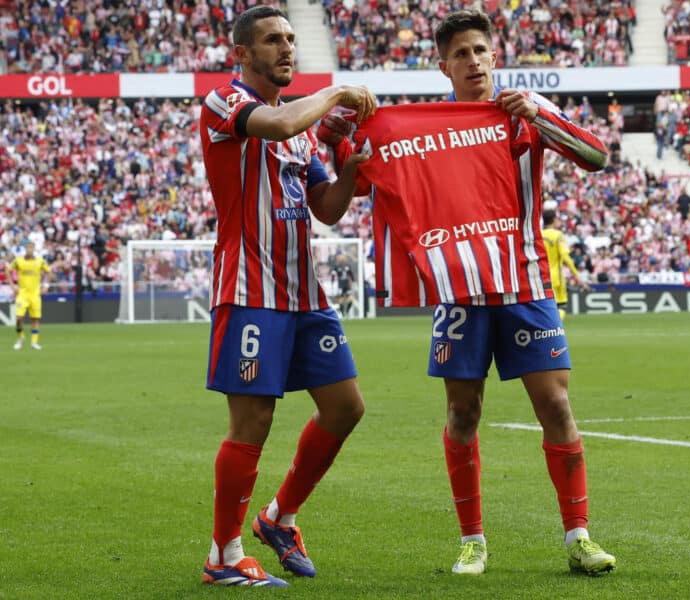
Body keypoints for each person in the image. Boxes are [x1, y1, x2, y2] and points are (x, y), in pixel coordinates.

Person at [321, 8, 616, 578]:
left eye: (480, 50)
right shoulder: (424, 125)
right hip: (459, 291)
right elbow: (341, 157)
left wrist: (539, 119)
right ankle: (472, 540)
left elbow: (597, 157)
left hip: (525, 281)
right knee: (463, 412)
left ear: (494, 56)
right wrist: (346, 115)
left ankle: (579, 537)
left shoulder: (526, 109)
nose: (473, 61)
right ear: (443, 66)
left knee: (555, 404)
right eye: (461, 54)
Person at [197, 6, 375, 587]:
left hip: (304, 294)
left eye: (292, 39)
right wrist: (336, 93)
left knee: (345, 407)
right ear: (244, 53)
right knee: (254, 419)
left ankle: (279, 518)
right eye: (273, 40)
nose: (287, 48)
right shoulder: (224, 103)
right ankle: (223, 556)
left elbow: (326, 209)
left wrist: (350, 162)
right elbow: (271, 127)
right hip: (250, 290)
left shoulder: (300, 134)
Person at [543, 209, 589, 319]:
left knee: (545, 307)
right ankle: (555, 332)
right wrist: (577, 276)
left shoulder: (539, 234)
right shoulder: (558, 235)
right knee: (561, 306)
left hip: (541, 277)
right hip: (556, 277)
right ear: (554, 219)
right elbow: (565, 257)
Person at [8, 242, 50, 350]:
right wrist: (12, 285)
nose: (29, 249)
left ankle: (34, 342)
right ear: (25, 249)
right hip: (22, 294)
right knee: (18, 318)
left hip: (35, 294)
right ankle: (20, 337)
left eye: (31, 248)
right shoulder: (19, 260)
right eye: (27, 248)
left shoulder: (40, 261)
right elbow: (8, 270)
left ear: (34, 249)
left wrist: (46, 286)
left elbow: (48, 272)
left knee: (35, 319)